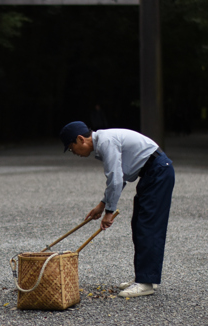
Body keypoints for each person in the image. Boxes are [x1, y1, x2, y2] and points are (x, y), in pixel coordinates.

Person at [60, 121, 175, 298]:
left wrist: (109, 213)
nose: (74, 153)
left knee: (147, 226)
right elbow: (118, 179)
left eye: (71, 148)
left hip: (158, 171)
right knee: (139, 224)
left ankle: (145, 283)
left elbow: (115, 179)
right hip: (153, 172)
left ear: (81, 139)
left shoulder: (106, 142)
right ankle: (144, 277)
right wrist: (102, 205)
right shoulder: (104, 141)